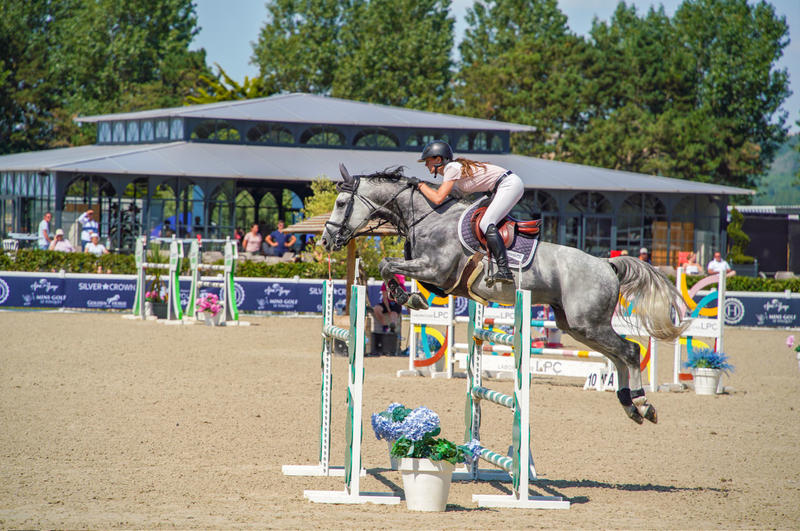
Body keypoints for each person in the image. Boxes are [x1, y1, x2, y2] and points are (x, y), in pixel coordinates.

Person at [413, 140, 523, 284]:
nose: (426, 165)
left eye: (427, 161)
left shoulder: (451, 168)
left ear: (438, 159)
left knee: (486, 223)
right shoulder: (452, 173)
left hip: (508, 185)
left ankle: (504, 270)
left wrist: (420, 185)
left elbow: (438, 198)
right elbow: (445, 195)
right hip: (500, 188)